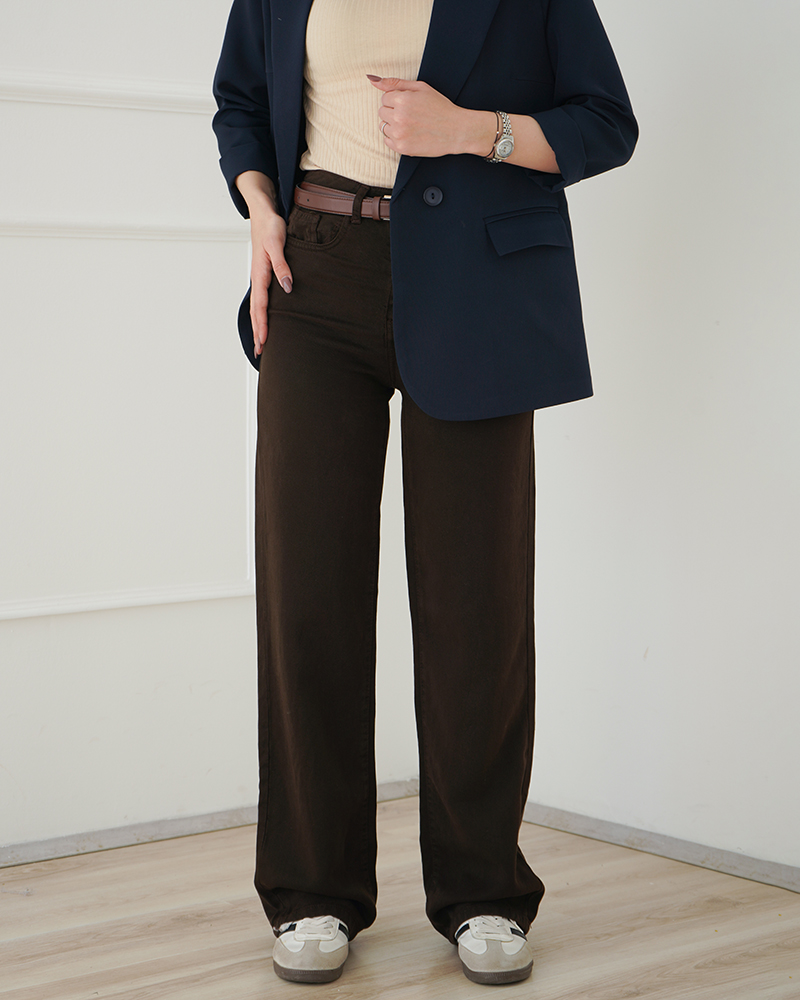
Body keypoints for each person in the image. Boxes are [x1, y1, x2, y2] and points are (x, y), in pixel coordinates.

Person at [212, 0, 637, 986]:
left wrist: (470, 131)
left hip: (479, 286)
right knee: (307, 593)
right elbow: (240, 101)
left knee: (475, 601)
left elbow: (604, 121)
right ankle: (312, 891)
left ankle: (483, 890)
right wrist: (262, 208)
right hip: (315, 277)